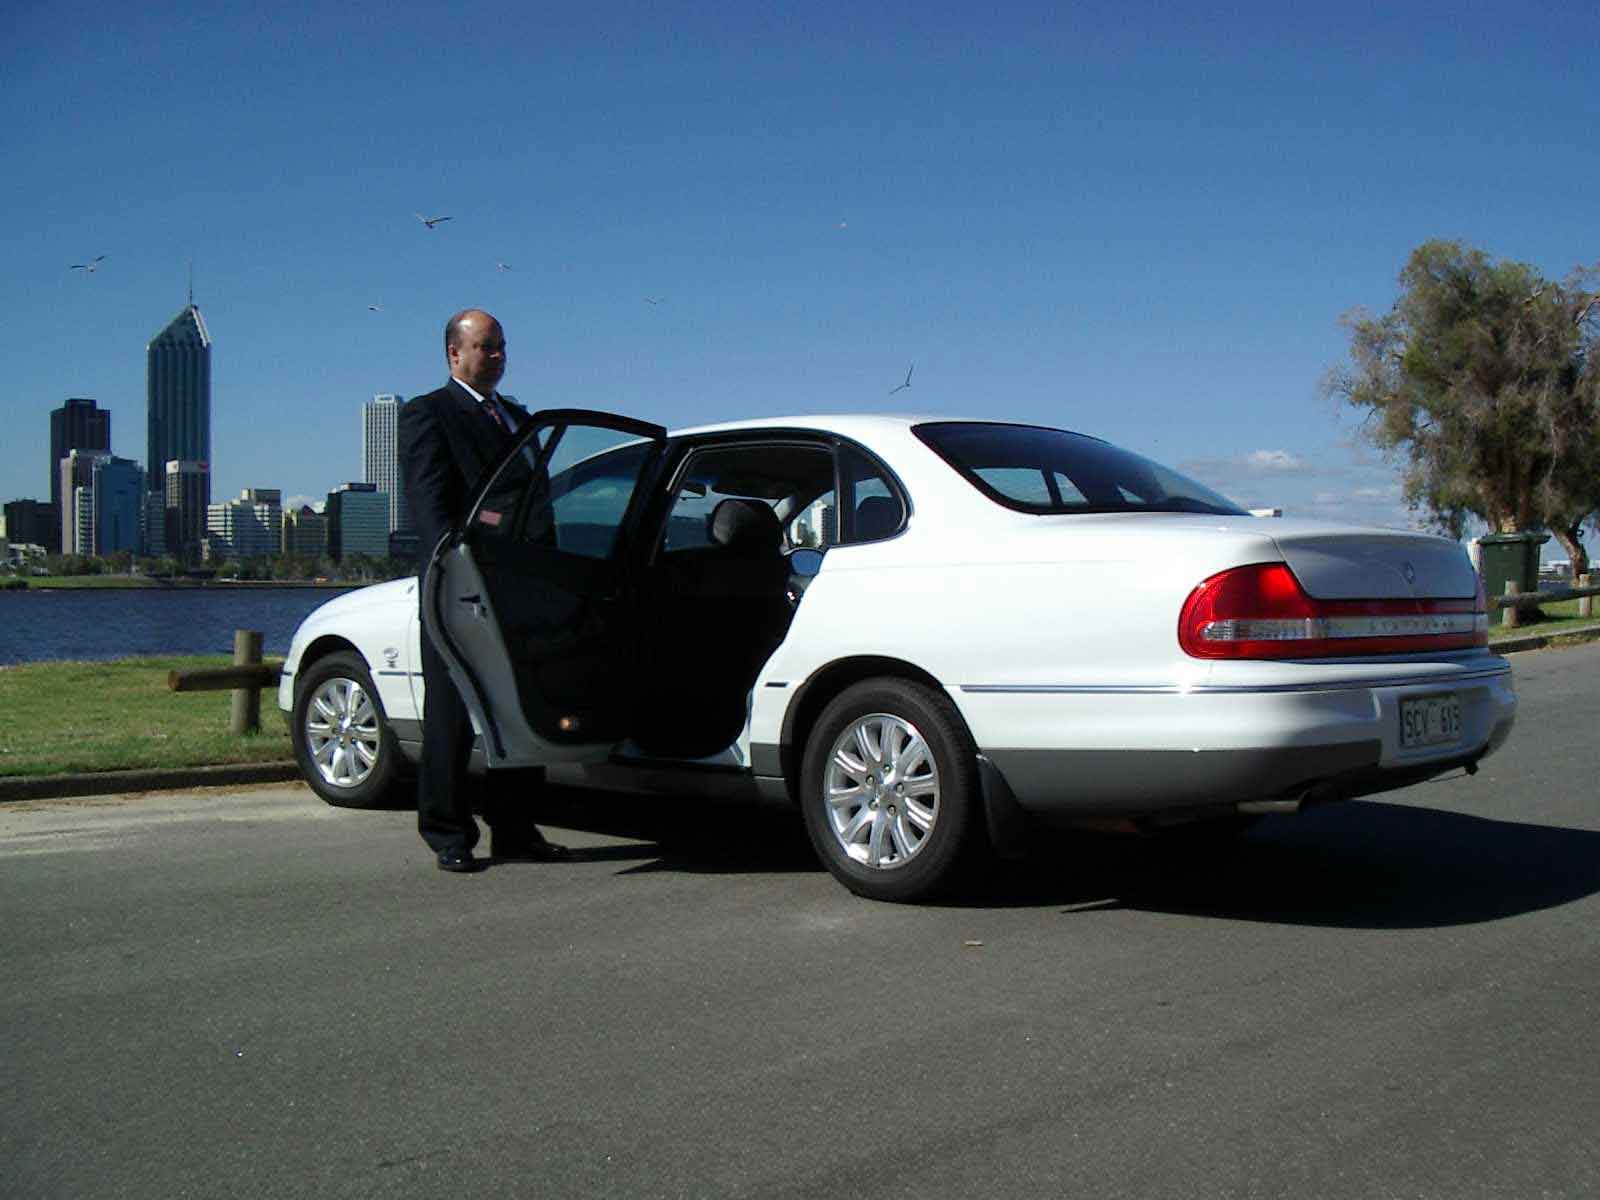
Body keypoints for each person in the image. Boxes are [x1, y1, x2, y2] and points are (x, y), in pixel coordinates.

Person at [398, 308, 570, 873]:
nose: (496, 356)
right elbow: (431, 506)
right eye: (485, 347)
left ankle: (516, 827)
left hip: (518, 585)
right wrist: (466, 555)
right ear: (454, 354)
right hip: (458, 587)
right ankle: (447, 832)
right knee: (451, 709)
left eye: (501, 347)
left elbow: (537, 501)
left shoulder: (519, 418)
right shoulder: (430, 413)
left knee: (517, 707)